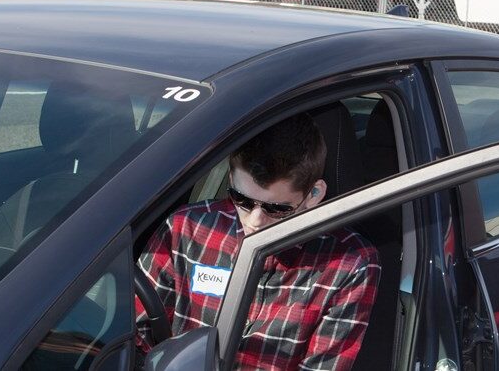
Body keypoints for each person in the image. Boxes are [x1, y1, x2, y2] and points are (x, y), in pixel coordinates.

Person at [135, 114, 380, 370]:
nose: (255, 220)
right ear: (231, 178)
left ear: (313, 195)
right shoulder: (187, 227)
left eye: (276, 209)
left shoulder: (349, 264)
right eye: (242, 200)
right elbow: (137, 335)